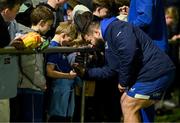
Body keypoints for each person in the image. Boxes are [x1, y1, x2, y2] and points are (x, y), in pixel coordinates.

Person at [72, 11, 176, 123]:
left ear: (96, 33)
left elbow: (129, 52)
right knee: (126, 102)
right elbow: (111, 69)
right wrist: (86, 73)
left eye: (90, 40)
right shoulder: (109, 37)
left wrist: (123, 81)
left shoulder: (117, 27)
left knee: (128, 105)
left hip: (156, 73)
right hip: (151, 74)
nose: (91, 45)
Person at [10, 5, 54, 122]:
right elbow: (28, 65)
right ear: (42, 22)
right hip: (30, 87)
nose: (50, 28)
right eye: (49, 25)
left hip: (24, 86)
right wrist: (41, 83)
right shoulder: (33, 38)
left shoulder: (26, 35)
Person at [46, 21, 79, 122]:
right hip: (60, 89)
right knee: (58, 118)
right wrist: (68, 76)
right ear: (63, 35)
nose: (69, 44)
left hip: (66, 88)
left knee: (65, 117)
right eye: (69, 40)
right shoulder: (53, 48)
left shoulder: (59, 48)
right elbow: (49, 71)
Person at [0, 0, 24, 122]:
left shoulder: (8, 24)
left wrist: (10, 44)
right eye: (16, 11)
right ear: (6, 10)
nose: (16, 15)